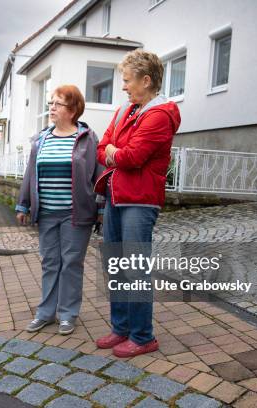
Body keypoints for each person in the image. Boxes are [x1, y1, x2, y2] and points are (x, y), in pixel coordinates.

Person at [94, 49, 181, 358]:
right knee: (116, 266)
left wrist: (115, 153)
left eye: (128, 80)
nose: (123, 86)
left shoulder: (160, 115)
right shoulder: (123, 112)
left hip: (140, 202)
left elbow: (133, 157)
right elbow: (101, 147)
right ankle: (121, 329)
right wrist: (115, 151)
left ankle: (143, 336)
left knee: (134, 268)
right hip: (116, 196)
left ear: (146, 80)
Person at [16, 85, 104, 335]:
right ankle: (45, 313)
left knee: (72, 263)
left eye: (57, 104)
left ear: (73, 109)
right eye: (50, 103)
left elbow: (98, 177)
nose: (51, 108)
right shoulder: (41, 139)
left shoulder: (87, 139)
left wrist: (102, 208)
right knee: (50, 262)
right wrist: (23, 204)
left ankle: (67, 314)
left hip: (76, 214)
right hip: (46, 213)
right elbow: (30, 174)